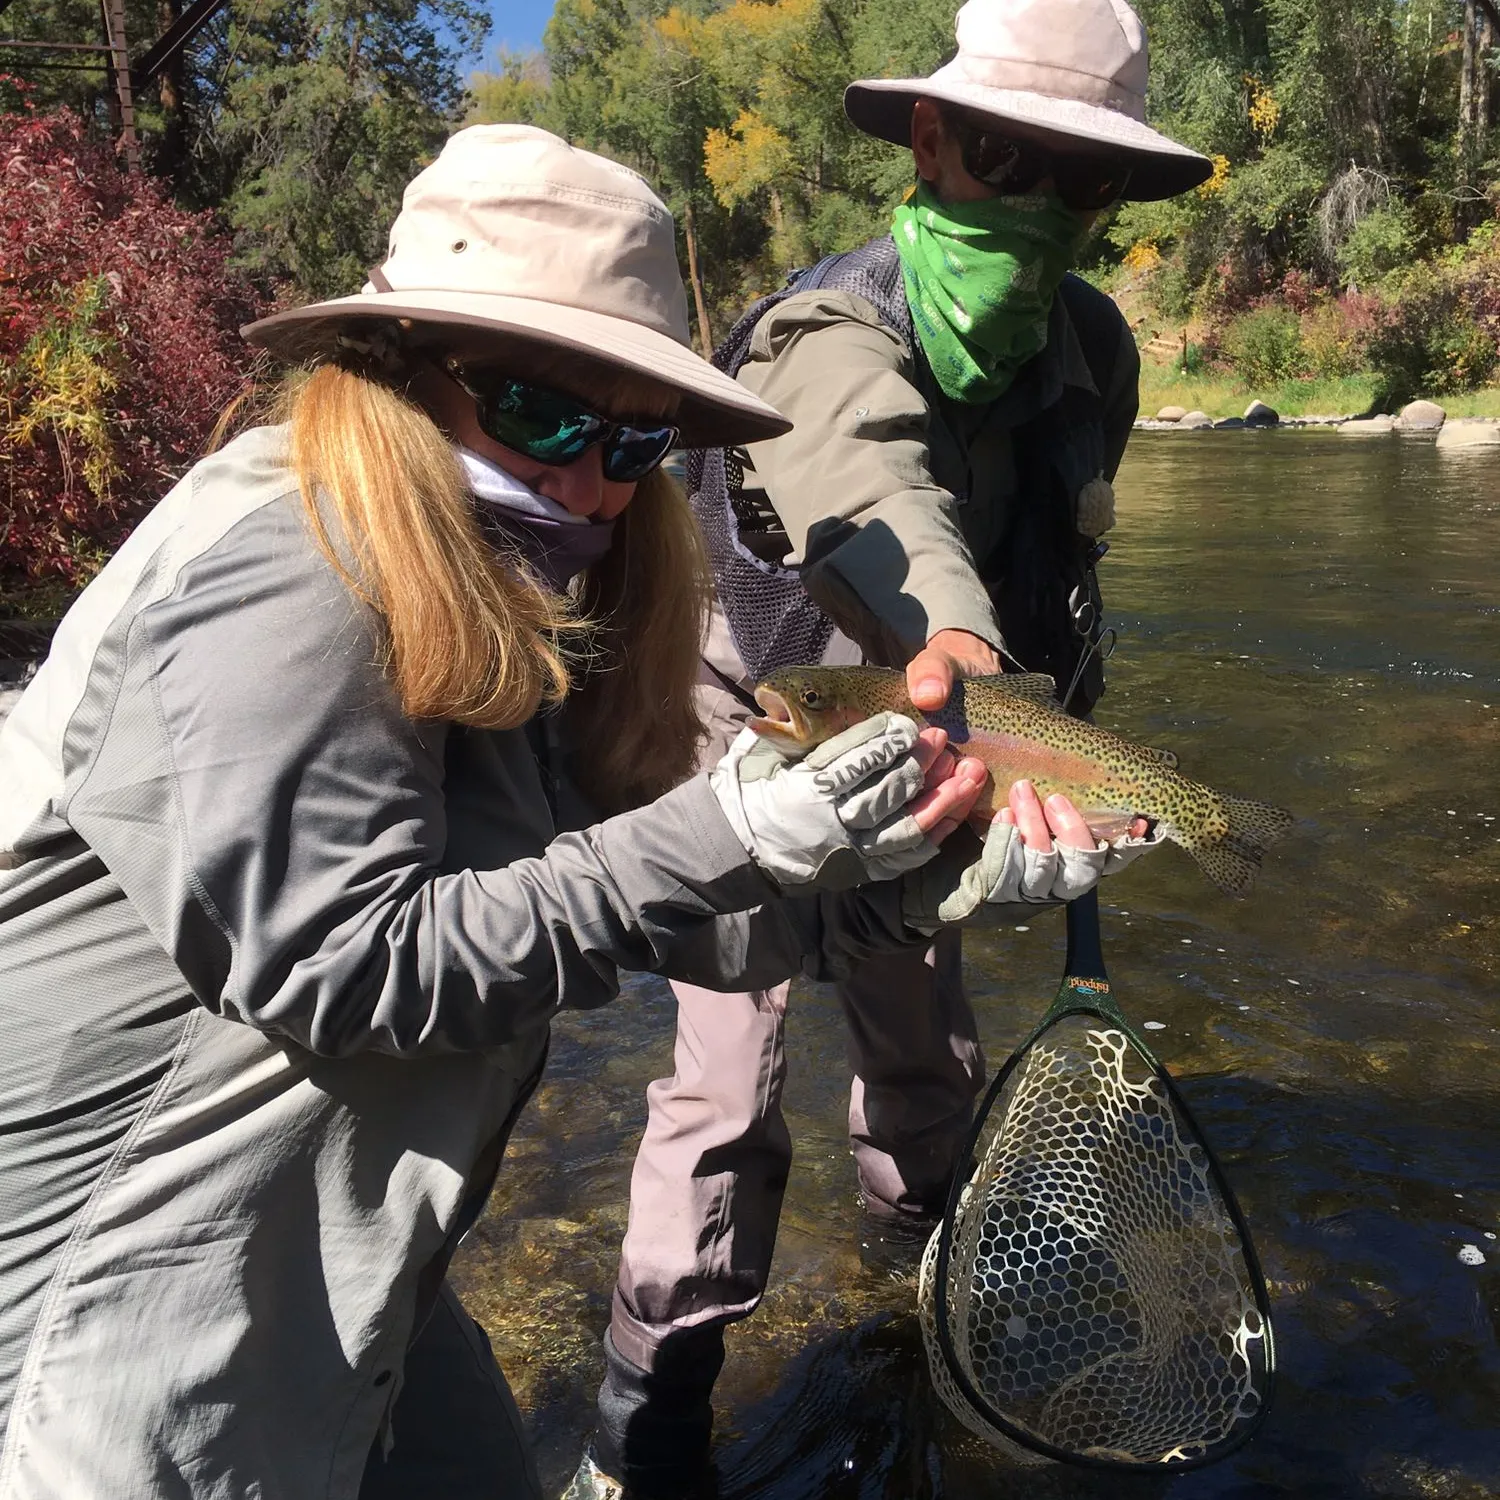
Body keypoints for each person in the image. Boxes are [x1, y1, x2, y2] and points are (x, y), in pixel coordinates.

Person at [0, 123, 1107, 1500]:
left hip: (344, 1266)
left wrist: (900, 891)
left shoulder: (517, 591)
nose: (589, 478)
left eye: (638, 434)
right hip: (111, 1307)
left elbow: (658, 913)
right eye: (537, 411)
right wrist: (741, 832)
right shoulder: (294, 556)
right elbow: (339, 968)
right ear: (401, 371)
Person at [571, 2, 1210, 1495]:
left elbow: (1065, 553)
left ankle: (922, 1291)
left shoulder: (1095, 350)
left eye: (1088, 179)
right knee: (726, 1081)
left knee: (924, 1047)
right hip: (771, 719)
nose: (1051, 206)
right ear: (932, 138)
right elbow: (878, 503)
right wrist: (965, 667)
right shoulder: (823, 333)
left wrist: (1045, 752)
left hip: (960, 740)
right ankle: (647, 1419)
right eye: (1015, 158)